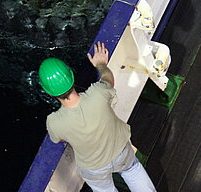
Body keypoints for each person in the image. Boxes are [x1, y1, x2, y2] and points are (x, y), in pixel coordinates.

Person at [40, 42, 157, 192]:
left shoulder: (54, 122)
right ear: (72, 77)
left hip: (94, 169)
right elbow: (108, 79)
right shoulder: (98, 93)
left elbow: (60, 138)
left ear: (49, 92)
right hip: (120, 150)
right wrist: (101, 64)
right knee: (132, 170)